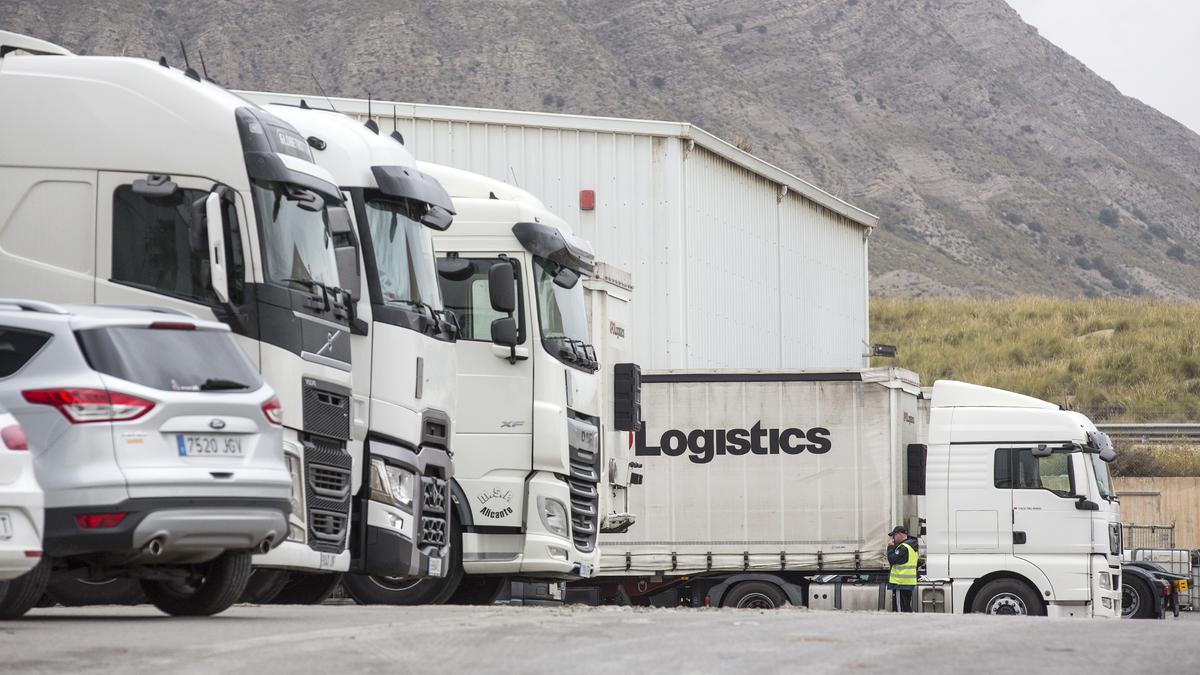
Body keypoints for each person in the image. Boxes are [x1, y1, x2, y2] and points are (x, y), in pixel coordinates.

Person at [887, 525, 918, 612]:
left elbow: (892, 559)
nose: (893, 539)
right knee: (906, 609)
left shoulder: (903, 547)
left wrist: (890, 547)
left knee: (900, 612)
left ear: (899, 534)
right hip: (908, 583)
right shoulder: (912, 546)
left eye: (894, 536)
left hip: (900, 583)